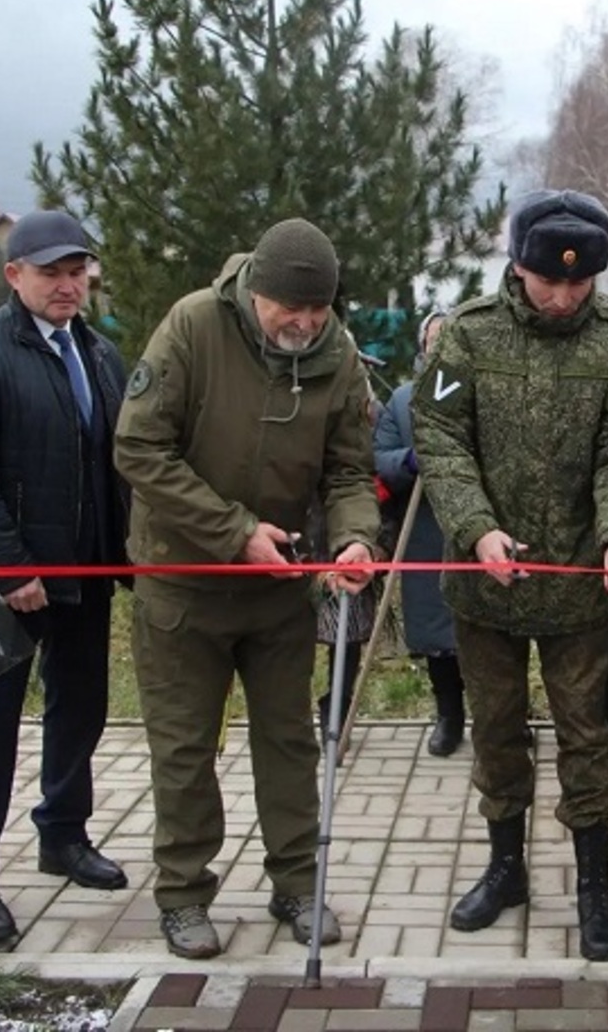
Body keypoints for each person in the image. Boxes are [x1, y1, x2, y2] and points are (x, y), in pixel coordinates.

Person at [115, 217, 378, 960]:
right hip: (182, 584)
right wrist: (233, 532)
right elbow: (138, 446)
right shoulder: (193, 326)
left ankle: (298, 880)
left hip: (279, 590)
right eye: (287, 308)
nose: (301, 322)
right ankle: (183, 893)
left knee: (290, 740)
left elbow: (349, 471)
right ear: (254, 290)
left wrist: (357, 535)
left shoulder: (340, 357)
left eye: (316, 310)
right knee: (183, 747)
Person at [412, 189, 608, 962]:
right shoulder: (468, 336)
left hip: (582, 585)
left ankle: (595, 887)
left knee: (587, 736)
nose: (561, 297)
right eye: (546, 281)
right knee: (494, 728)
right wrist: (475, 526)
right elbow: (440, 435)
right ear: (516, 267)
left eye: (578, 284)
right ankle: (506, 867)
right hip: (484, 583)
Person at [0, 211, 129, 943]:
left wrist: (125, 556)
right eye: (51, 272)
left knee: (81, 707)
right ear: (15, 276)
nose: (67, 285)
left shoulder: (100, 354)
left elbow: (115, 464)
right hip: (9, 584)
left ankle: (63, 832)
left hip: (87, 574)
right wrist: (12, 566)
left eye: (77, 272)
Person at [374, 312, 466, 756]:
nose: (441, 347)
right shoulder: (403, 401)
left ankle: (501, 718)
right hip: (426, 528)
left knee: (490, 628)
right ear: (422, 347)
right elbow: (380, 457)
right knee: (436, 628)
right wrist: (408, 461)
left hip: (477, 529)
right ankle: (449, 715)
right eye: (434, 340)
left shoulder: (482, 393)